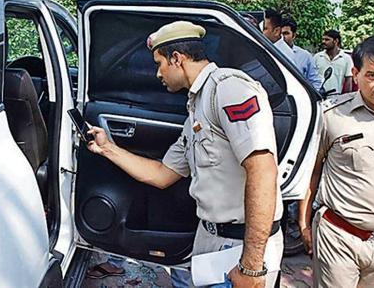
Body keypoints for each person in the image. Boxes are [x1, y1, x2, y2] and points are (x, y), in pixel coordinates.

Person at [86, 21, 283, 288]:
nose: (158, 74)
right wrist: (108, 148)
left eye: (159, 64)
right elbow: (162, 175)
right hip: (211, 240)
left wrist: (251, 266)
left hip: (241, 246)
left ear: (177, 58)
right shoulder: (195, 110)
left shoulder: (229, 88)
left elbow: (262, 169)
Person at [298, 35, 374, 288]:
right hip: (338, 236)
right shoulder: (332, 115)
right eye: (372, 75)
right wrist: (303, 224)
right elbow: (311, 172)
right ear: (355, 73)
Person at [281, 18, 322, 90]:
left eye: (286, 33)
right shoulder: (269, 52)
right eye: (280, 34)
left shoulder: (305, 56)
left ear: (294, 35)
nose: (282, 37)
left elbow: (315, 81)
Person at [313, 30, 354, 94]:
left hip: (336, 97)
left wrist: (346, 98)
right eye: (323, 39)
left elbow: (348, 80)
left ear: (336, 41)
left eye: (327, 40)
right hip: (318, 96)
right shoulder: (317, 57)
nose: (323, 42)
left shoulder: (346, 58)